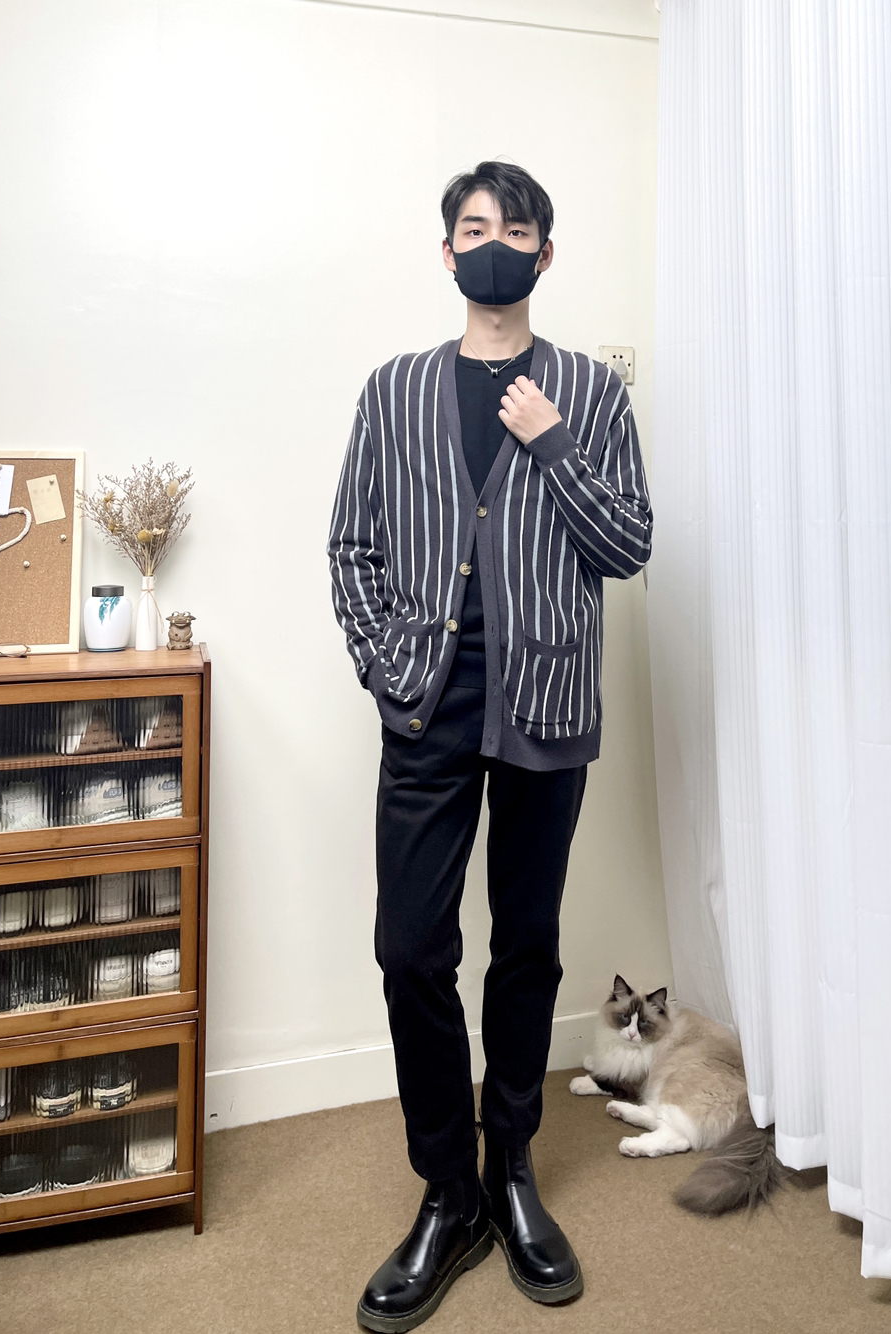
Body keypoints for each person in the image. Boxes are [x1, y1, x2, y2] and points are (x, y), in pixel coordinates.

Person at [328, 160, 652, 1332]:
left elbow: (627, 545)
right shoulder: (395, 388)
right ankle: (448, 1189)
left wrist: (554, 440)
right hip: (427, 701)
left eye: (516, 229)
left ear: (544, 254)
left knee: (525, 944)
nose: (495, 244)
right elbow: (351, 545)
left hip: (544, 702)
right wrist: (387, 664)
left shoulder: (590, 393)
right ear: (447, 252)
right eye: (475, 228)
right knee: (411, 947)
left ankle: (510, 1167)